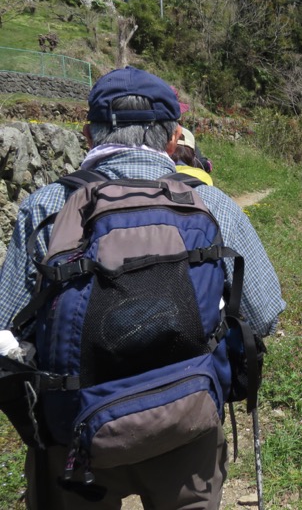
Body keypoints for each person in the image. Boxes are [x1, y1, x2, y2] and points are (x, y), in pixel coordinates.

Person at [0, 67, 286, 509]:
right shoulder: (212, 205)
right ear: (173, 138)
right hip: (186, 425)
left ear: (88, 135)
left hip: (77, 439)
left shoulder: (47, 208)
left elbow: (6, 332)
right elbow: (264, 313)